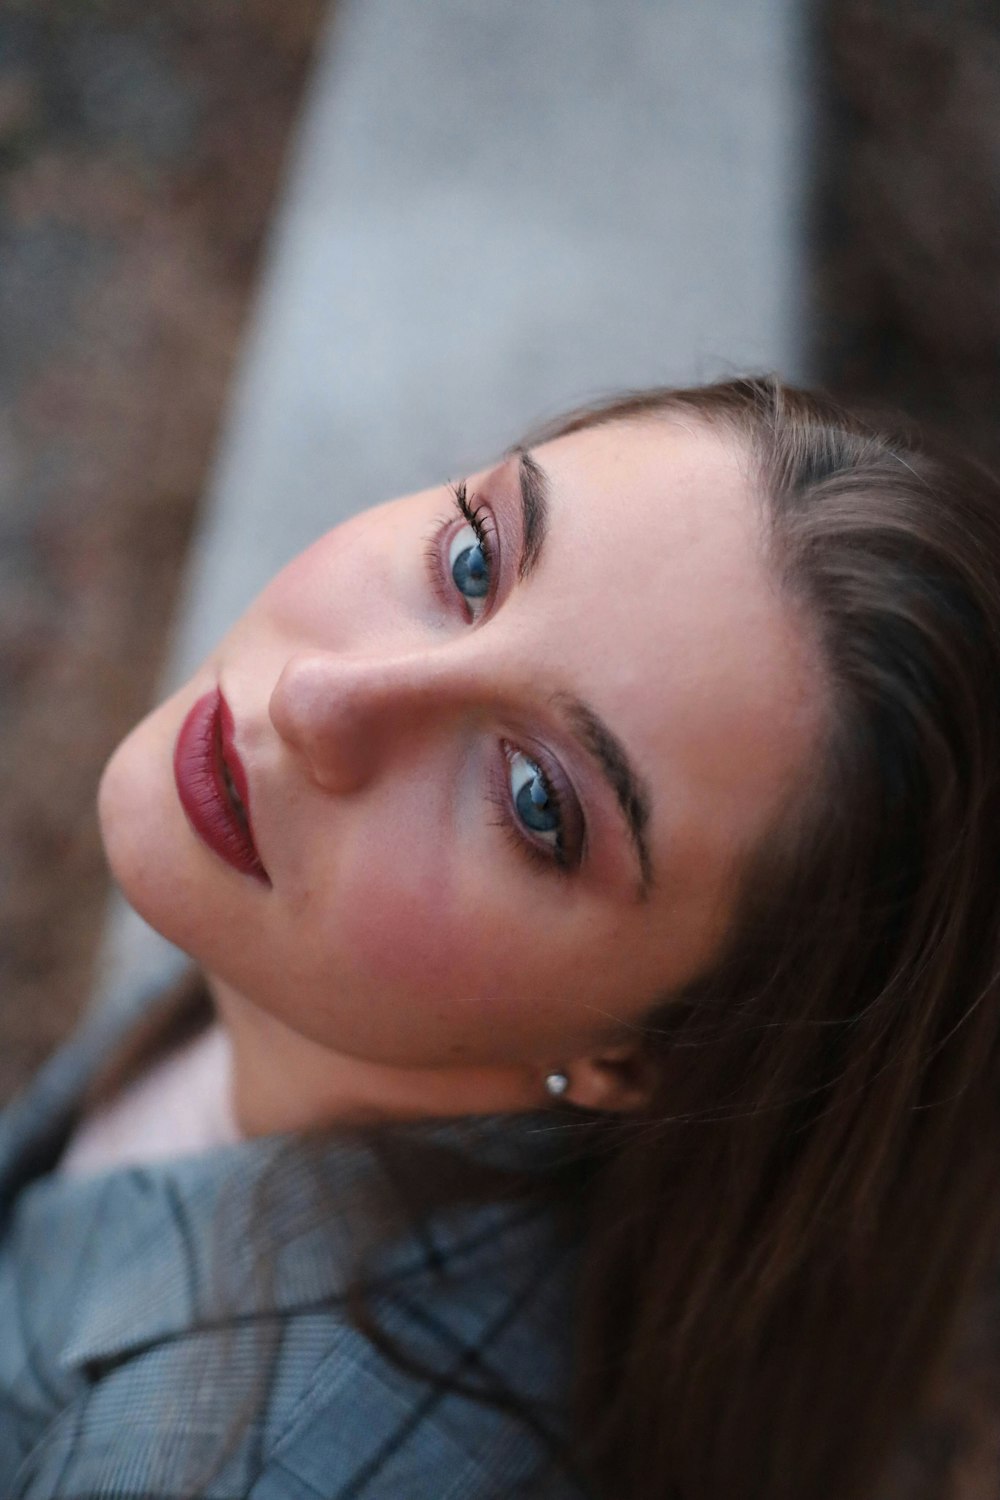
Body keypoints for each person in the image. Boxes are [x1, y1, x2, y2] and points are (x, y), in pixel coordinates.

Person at [1, 374, 999, 1500]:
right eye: (473, 562)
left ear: (636, 1058)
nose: (319, 700)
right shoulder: (319, 978)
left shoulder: (228, 1465)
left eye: (537, 804)